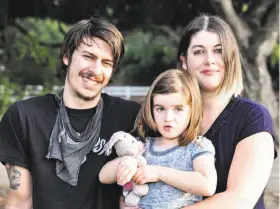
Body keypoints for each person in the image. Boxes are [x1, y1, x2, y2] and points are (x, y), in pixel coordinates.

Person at [0, 17, 141, 209]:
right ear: (67, 56)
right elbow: (21, 200)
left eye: (106, 63)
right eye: (88, 57)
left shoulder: (129, 117)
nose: (95, 70)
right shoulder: (24, 117)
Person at [175, 14, 276, 209]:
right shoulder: (168, 116)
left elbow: (239, 200)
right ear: (184, 61)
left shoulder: (253, 118)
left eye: (219, 51)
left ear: (231, 58)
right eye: (198, 52)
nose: (209, 60)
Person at [99, 69, 217, 209]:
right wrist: (127, 162)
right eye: (160, 109)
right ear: (151, 109)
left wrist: (159, 172)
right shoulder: (143, 146)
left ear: (192, 110)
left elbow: (207, 185)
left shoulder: (197, 146)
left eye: (178, 109)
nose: (168, 118)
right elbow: (103, 176)